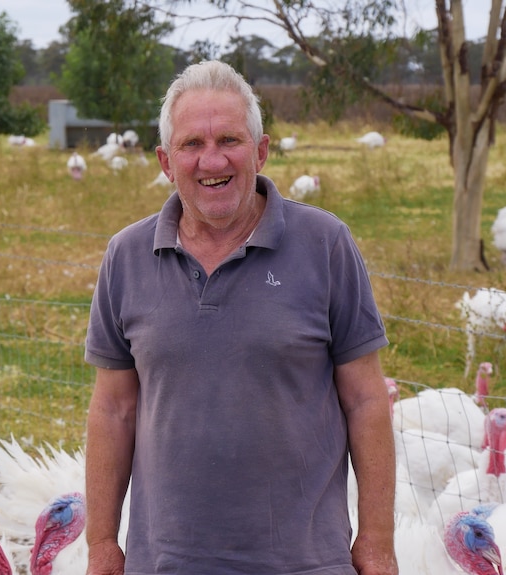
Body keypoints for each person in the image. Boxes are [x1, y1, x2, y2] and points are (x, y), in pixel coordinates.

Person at [83, 60, 398, 575]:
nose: (212, 160)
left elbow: (366, 399)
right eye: (191, 145)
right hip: (166, 562)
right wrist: (101, 543)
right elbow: (112, 410)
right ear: (166, 160)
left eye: (229, 139)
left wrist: (377, 541)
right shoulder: (126, 256)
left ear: (261, 151)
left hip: (305, 562)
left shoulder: (325, 244)